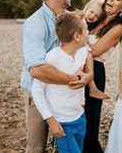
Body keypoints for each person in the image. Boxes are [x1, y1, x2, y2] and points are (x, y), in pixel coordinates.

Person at [21, 0, 92, 153]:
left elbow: (85, 49)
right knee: (37, 147)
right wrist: (74, 80)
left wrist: (88, 76)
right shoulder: (34, 23)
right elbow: (37, 70)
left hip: (66, 98)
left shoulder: (73, 19)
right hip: (40, 94)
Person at [32, 12, 92, 153]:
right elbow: (37, 90)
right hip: (61, 122)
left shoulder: (81, 51)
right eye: (86, 30)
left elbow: (88, 53)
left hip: (79, 117)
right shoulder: (52, 58)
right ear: (77, 36)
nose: (88, 33)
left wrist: (87, 76)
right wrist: (50, 120)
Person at [83, 0, 122, 153]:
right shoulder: (96, 17)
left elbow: (95, 50)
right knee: (75, 116)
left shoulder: (118, 27)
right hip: (78, 66)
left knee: (90, 123)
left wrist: (75, 39)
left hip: (95, 70)